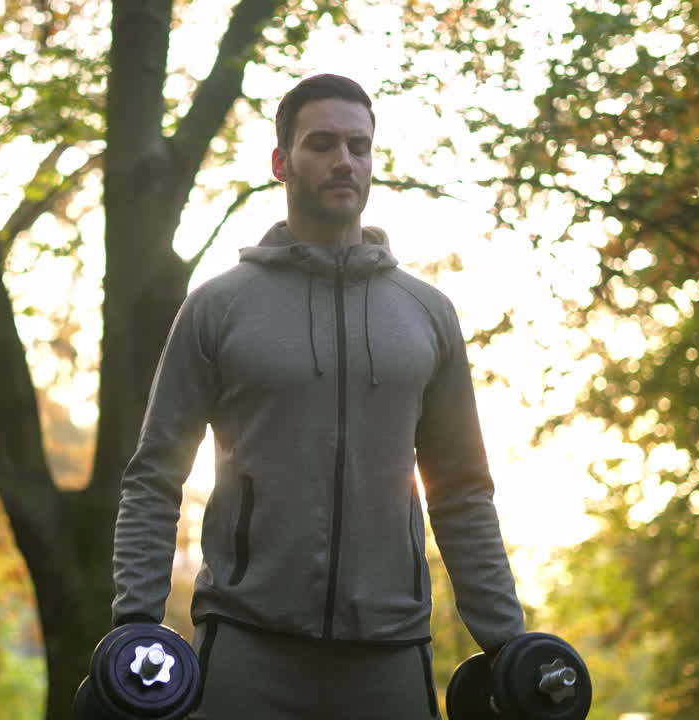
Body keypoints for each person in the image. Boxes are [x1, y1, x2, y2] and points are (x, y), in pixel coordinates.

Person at [110, 73, 526, 719]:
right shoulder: (219, 307)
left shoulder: (427, 313)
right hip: (247, 650)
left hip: (389, 657)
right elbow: (154, 477)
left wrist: (509, 645)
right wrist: (134, 624)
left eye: (359, 146)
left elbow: (463, 492)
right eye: (322, 143)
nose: (344, 161)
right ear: (282, 162)